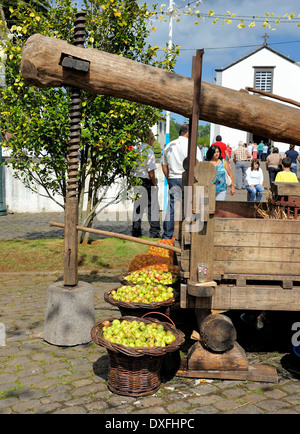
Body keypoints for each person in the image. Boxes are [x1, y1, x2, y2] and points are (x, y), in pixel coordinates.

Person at [162, 124, 202, 239]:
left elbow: (164, 165)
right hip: (188, 178)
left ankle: (167, 235)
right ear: (188, 133)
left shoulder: (169, 145)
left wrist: (169, 177)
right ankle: (186, 233)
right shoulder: (192, 146)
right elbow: (199, 164)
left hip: (173, 178)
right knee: (189, 206)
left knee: (172, 208)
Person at [132, 129, 161, 238]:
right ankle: (154, 232)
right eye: (152, 137)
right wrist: (154, 184)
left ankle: (136, 230)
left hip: (137, 179)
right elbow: (151, 171)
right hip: (146, 181)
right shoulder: (149, 151)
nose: (154, 139)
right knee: (152, 207)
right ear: (148, 138)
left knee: (138, 207)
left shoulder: (137, 149)